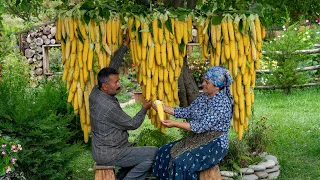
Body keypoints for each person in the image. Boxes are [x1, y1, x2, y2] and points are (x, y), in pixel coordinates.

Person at [89, 30, 158, 180]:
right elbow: (132, 124)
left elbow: (112, 67)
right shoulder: (108, 107)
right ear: (105, 87)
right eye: (116, 83)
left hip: (104, 149)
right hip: (112, 153)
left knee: (140, 152)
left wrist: (124, 46)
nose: (119, 85)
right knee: (153, 153)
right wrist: (144, 108)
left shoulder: (96, 91)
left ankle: (120, 177)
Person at [152, 66, 234, 180]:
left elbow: (200, 127)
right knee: (164, 151)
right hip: (198, 138)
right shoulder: (204, 97)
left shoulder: (222, 104)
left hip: (215, 144)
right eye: (204, 80)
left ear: (217, 86)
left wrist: (175, 124)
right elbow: (188, 112)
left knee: (180, 162)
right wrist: (165, 108)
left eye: (207, 82)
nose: (203, 84)